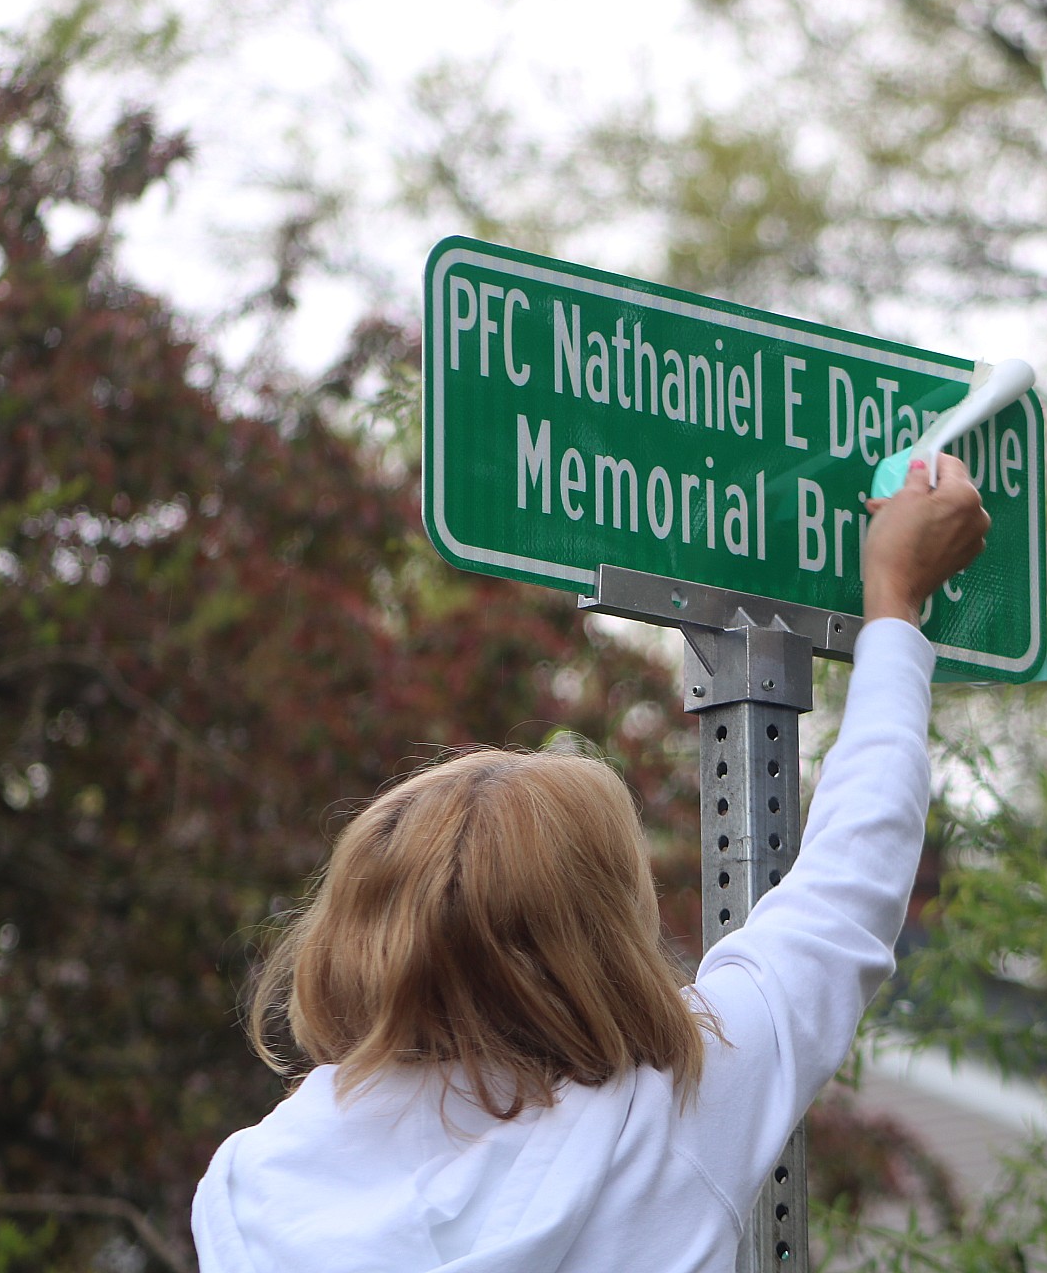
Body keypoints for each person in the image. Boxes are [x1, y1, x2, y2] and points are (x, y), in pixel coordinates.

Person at [192, 454, 991, 1273]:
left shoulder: (248, 1187)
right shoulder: (665, 1118)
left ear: (357, 933)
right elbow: (850, 880)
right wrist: (893, 601)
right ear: (595, 932)